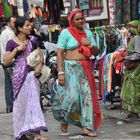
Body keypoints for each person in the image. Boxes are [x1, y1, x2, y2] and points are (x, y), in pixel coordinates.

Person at [52, 8, 101, 137]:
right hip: (70, 69)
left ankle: (87, 126)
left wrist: (89, 44)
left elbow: (96, 52)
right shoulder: (65, 33)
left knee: (87, 98)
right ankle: (64, 118)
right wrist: (60, 72)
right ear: (72, 20)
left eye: (82, 19)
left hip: (85, 69)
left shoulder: (88, 33)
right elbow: (60, 52)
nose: (80, 21)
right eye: (77, 19)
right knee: (72, 98)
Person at [3, 16, 48, 140]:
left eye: (30, 25)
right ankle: (20, 132)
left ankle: (37, 134)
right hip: (19, 77)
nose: (30, 27)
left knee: (34, 103)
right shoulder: (11, 43)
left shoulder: (33, 40)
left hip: (32, 76)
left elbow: (40, 57)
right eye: (27, 25)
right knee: (20, 105)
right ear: (19, 28)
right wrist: (17, 50)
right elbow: (6, 61)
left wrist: (39, 67)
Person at [121, 20, 140, 118]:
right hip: (131, 68)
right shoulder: (133, 38)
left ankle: (136, 110)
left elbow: (138, 54)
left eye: (131, 27)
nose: (128, 30)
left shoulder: (136, 38)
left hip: (135, 68)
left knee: (135, 89)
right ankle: (133, 111)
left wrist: (126, 58)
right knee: (130, 90)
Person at [0, 16, 16, 113]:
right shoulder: (10, 33)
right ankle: (12, 105)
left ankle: (9, 105)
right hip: (10, 60)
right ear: (8, 23)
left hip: (4, 61)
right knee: (13, 83)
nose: (15, 24)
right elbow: (12, 48)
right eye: (13, 22)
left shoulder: (3, 33)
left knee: (8, 84)